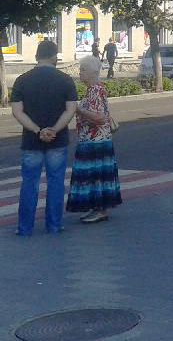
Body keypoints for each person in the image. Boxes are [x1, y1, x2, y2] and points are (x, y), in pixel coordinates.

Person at [10, 40, 78, 236]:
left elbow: (17, 111)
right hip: (57, 140)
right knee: (56, 182)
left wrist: (37, 130)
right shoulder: (66, 80)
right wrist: (54, 130)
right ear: (55, 56)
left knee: (29, 183)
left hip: (31, 141)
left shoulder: (22, 80)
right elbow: (70, 110)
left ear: (36, 56)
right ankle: (54, 225)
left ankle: (24, 228)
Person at [66, 55, 122, 224]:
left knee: (96, 175)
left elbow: (100, 118)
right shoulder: (93, 89)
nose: (80, 72)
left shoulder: (95, 90)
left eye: (83, 70)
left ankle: (100, 210)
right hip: (93, 139)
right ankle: (96, 207)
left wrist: (78, 109)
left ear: (92, 72)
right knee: (94, 176)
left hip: (96, 141)